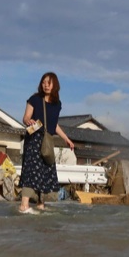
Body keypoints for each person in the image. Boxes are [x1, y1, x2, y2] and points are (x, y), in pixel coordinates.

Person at [19, 72, 75, 214]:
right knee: (31, 170)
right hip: (33, 138)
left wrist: (66, 139)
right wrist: (28, 121)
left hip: (47, 141)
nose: (46, 85)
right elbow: (25, 117)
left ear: (55, 85)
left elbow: (54, 125)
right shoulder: (35, 99)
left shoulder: (57, 104)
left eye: (49, 82)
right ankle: (24, 205)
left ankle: (40, 204)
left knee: (44, 172)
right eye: (44, 82)